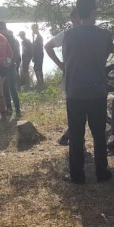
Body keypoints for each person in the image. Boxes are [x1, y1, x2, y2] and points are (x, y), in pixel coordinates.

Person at [62, 0, 114, 184]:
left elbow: (66, 58)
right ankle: (102, 171)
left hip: (74, 91)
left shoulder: (69, 35)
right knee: (99, 133)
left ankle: (77, 174)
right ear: (93, 12)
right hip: (96, 90)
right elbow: (106, 54)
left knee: (76, 135)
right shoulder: (104, 34)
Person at [46, 7, 82, 145]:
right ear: (73, 19)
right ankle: (72, 135)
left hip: (86, 75)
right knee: (74, 107)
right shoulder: (66, 34)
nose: (81, 21)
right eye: (78, 17)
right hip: (72, 76)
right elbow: (48, 46)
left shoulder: (90, 32)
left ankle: (71, 134)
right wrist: (60, 64)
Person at [0, 22, 22, 116]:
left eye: (1, 29)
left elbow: (14, 52)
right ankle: (9, 108)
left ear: (4, 29)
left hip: (10, 67)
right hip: (1, 68)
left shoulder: (10, 38)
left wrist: (8, 63)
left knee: (12, 88)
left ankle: (18, 109)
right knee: (4, 89)